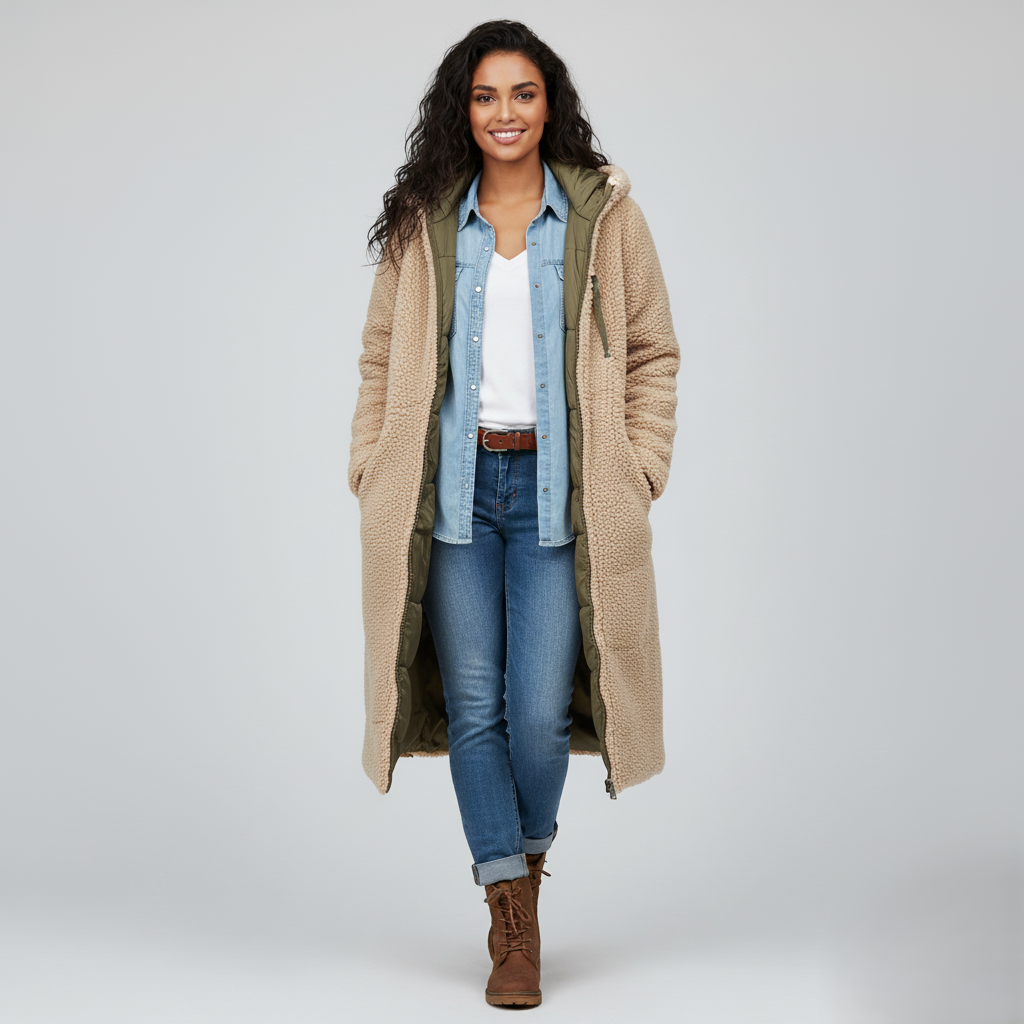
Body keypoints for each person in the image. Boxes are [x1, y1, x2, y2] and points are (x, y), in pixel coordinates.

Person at [349, 20, 680, 1007]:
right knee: (475, 709)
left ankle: (520, 870)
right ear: (462, 108)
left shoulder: (602, 216)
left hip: (555, 495)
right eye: (486, 95)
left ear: (549, 104)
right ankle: (511, 914)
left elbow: (653, 350)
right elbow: (379, 355)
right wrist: (370, 464)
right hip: (451, 494)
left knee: (538, 715)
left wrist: (639, 468)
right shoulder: (423, 221)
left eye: (523, 94)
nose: (505, 113)